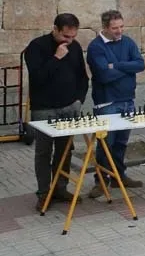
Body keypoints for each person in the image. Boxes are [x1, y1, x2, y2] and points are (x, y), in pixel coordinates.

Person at [24, 13, 89, 211]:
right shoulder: (36, 47)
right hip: (44, 109)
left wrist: (79, 99)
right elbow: (37, 78)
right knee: (44, 152)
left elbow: (82, 76)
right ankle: (44, 193)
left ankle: (60, 188)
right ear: (55, 29)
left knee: (65, 150)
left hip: (70, 106)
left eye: (73, 37)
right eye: (65, 37)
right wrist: (56, 58)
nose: (69, 41)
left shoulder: (75, 47)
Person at [87, 10, 145, 199]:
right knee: (105, 144)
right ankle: (101, 180)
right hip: (107, 102)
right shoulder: (96, 47)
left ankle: (119, 176)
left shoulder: (128, 42)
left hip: (127, 100)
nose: (119, 31)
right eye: (115, 28)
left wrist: (116, 65)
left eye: (121, 27)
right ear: (105, 28)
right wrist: (126, 67)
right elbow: (104, 75)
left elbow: (140, 64)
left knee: (121, 142)